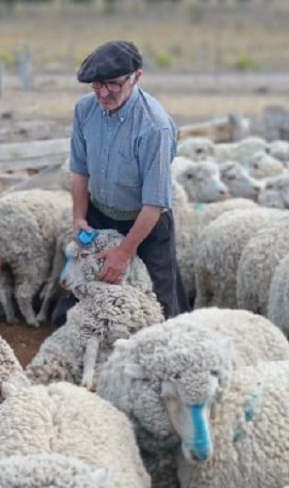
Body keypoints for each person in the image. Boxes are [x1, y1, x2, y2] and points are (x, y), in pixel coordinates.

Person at [51, 39, 188, 326]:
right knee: (73, 302)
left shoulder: (154, 127)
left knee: (162, 311)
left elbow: (154, 202)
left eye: (112, 84)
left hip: (146, 223)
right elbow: (79, 169)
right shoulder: (85, 110)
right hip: (99, 215)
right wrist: (79, 217)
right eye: (96, 85)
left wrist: (124, 253)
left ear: (136, 77)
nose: (103, 93)